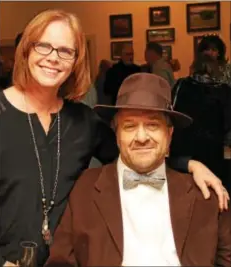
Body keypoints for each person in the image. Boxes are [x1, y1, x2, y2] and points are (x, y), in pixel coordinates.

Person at [0, 9, 229, 267]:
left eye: (65, 51)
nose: (53, 58)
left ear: (76, 60)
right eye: (43, 46)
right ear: (26, 49)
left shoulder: (82, 121)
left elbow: (138, 154)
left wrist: (189, 164)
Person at [46, 73, 231, 267]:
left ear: (169, 134)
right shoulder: (83, 189)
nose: (141, 137)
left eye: (152, 125)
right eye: (130, 126)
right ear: (116, 134)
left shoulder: (205, 194)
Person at [171, 54, 231, 192]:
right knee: (212, 190)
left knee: (182, 191)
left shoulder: (181, 85)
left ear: (194, 67)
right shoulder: (224, 90)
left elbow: (171, 111)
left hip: (182, 149)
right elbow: (228, 124)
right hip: (211, 150)